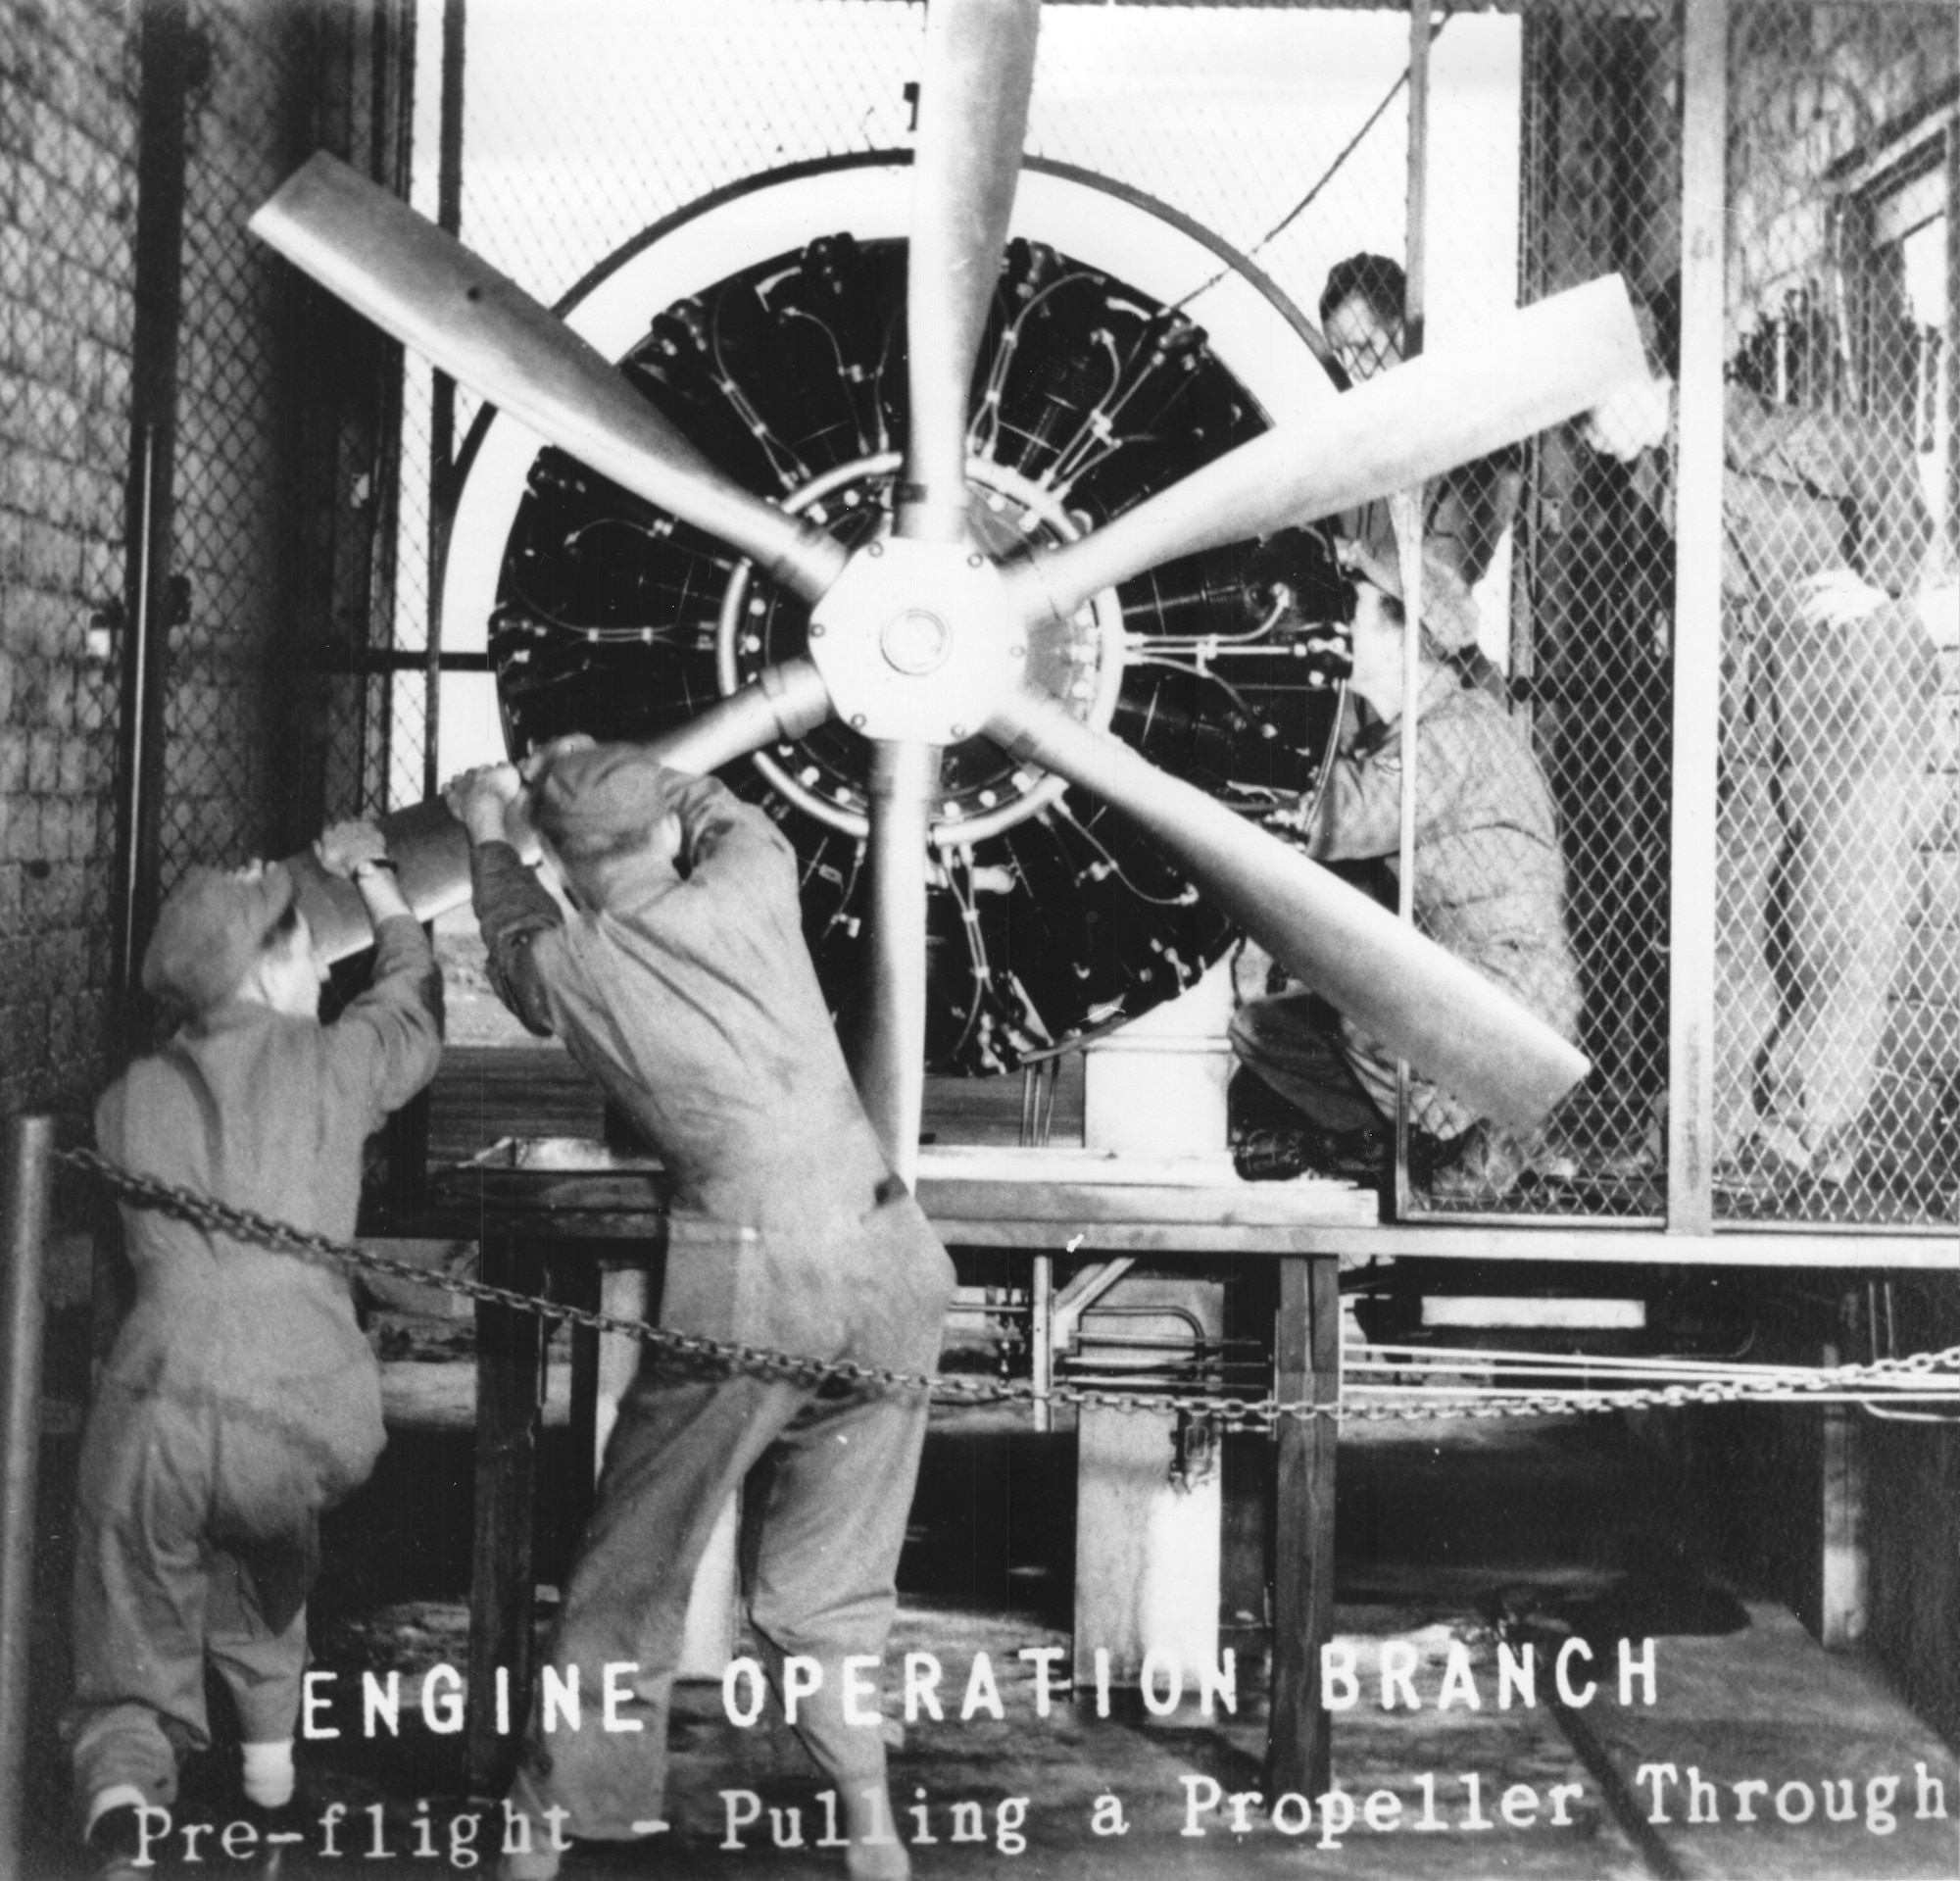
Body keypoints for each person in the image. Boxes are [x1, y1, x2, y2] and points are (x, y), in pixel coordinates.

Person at [445, 740, 956, 1881]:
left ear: (567, 863)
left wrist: (491, 826)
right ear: (664, 833)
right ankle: (870, 1826)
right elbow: (712, 805)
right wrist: (625, 770)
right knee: (836, 1574)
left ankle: (547, 1819)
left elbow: (514, 934)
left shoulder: (574, 964)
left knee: (636, 1554)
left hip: (755, 1281)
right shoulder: (753, 871)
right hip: (890, 1256)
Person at [70, 821, 444, 1880]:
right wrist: (377, 881)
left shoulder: (124, 1101)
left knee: (134, 1581)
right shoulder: (338, 1062)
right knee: (268, 1543)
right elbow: (410, 997)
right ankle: (272, 1763)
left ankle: (126, 1783)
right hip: (311, 1408)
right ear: (279, 965)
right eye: (301, 948)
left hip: (163, 1395)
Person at [1584, 281, 1939, 1185]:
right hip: (1764, 680)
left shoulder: (1724, 424)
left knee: (1838, 913)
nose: (1582, 436)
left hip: (1848, 666)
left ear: (1636, 381)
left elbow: (1877, 452)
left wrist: (1883, 581)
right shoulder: (1657, 462)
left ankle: (1808, 1130)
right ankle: (1711, 1127)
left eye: (1587, 412)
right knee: (1730, 909)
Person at [1230, 545, 1583, 1199]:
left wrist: (1221, 775)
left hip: (1512, 990)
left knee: (1367, 1015)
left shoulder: (1452, 733)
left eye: (1354, 605)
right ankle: (1408, 1149)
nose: (1337, 622)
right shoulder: (1402, 740)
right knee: (1264, 1030)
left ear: (1403, 635)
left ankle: (1475, 1151)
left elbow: (1342, 814)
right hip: (1460, 978)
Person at [1318, 251, 1526, 662]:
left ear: (1406, 334)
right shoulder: (1358, 444)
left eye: (1363, 348)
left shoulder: (1469, 435)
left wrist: (1354, 555)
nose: (1353, 370)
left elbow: (1445, 586)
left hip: (1436, 671)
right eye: (1340, 354)